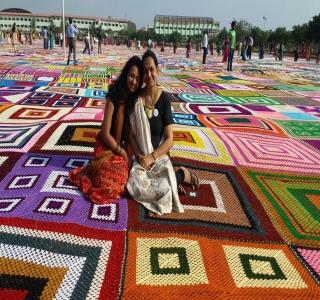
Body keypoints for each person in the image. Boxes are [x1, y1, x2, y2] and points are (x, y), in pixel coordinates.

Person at [127, 50, 200, 215]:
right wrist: (140, 156)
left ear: (157, 70)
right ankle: (175, 177)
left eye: (151, 69)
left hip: (159, 157)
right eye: (145, 71)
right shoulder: (136, 99)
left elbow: (169, 140)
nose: (149, 74)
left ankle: (182, 174)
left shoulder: (164, 99)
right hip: (141, 159)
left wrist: (152, 157)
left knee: (165, 187)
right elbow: (131, 136)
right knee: (134, 185)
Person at [69, 56, 143, 204]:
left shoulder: (135, 100)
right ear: (125, 74)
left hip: (122, 149)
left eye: (137, 78)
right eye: (131, 76)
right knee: (109, 180)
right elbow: (105, 132)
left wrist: (134, 155)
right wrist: (122, 152)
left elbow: (132, 135)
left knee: (122, 178)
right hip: (106, 146)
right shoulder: (114, 94)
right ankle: (93, 172)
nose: (133, 81)